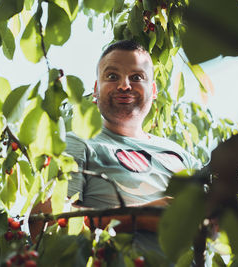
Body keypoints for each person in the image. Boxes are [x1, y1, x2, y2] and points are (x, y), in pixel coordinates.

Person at [30, 40, 200, 237]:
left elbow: (214, 224)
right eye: (112, 76)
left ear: (153, 91)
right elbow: (43, 221)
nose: (124, 85)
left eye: (136, 77)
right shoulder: (78, 143)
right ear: (96, 89)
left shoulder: (182, 156)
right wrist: (138, 217)